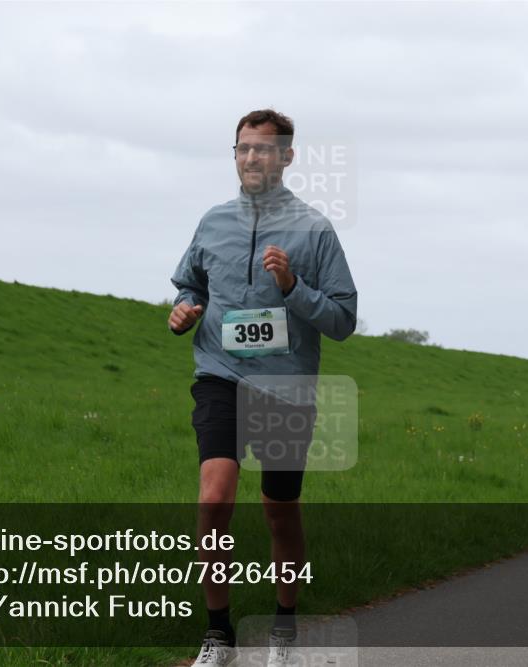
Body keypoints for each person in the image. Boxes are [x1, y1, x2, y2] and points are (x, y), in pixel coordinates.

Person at [169, 109, 358, 666]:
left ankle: (283, 629)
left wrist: (293, 286)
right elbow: (187, 284)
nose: (252, 158)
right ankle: (219, 635)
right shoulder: (212, 222)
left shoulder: (315, 230)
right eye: (243, 148)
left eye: (264, 149)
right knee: (214, 495)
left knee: (279, 510)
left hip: (285, 386)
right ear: (235, 155)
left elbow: (343, 320)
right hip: (220, 373)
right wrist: (182, 312)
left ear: (287, 157)